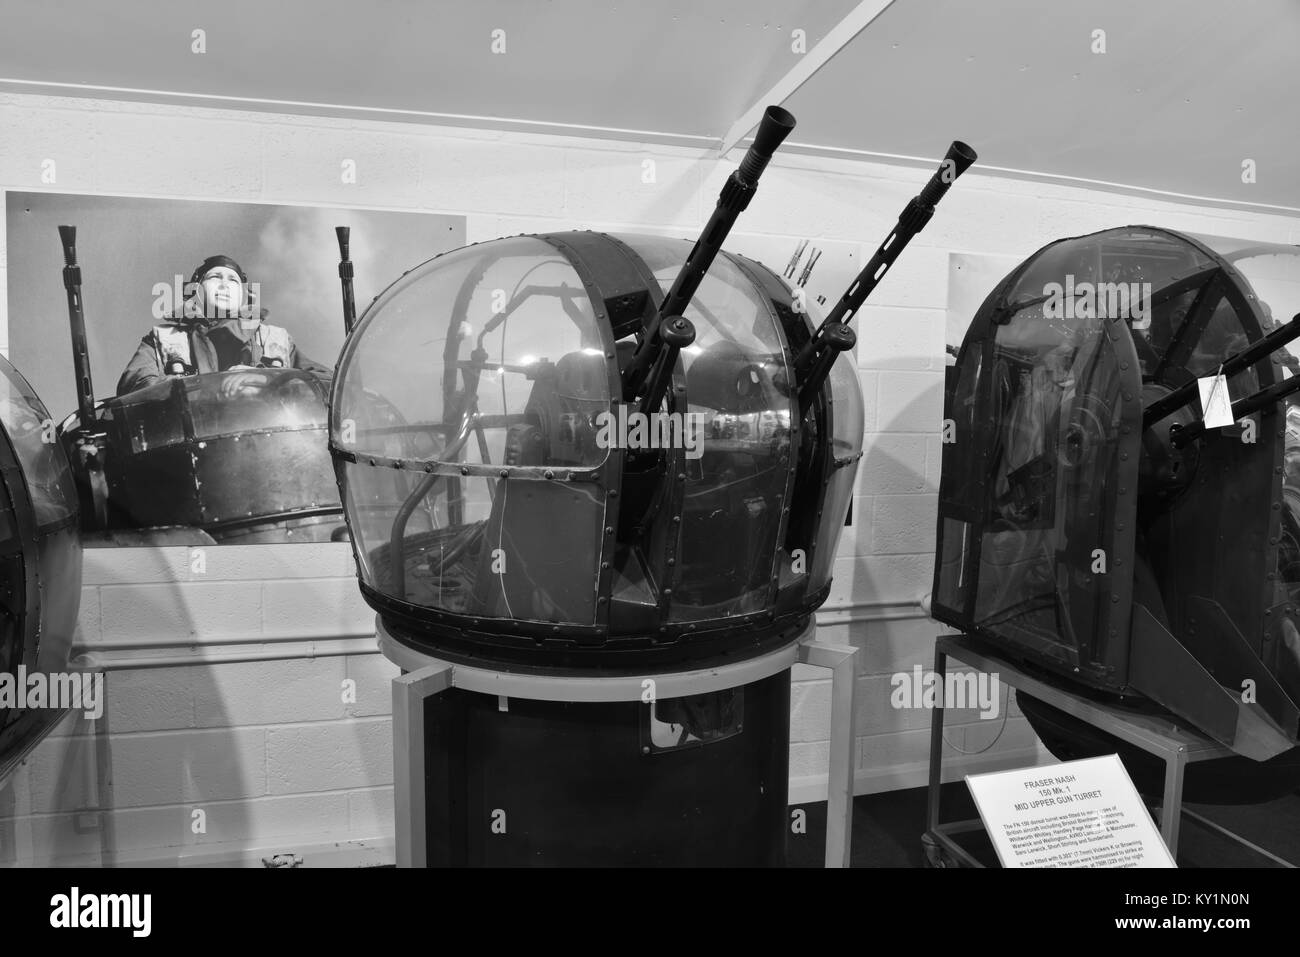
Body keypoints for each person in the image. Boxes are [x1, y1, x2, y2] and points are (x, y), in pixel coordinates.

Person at [116, 255, 333, 396]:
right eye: (215, 277)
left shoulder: (276, 339)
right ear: (195, 291)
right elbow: (134, 388)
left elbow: (328, 384)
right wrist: (201, 389)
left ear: (244, 295)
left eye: (233, 280)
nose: (224, 284)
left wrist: (265, 380)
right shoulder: (164, 338)